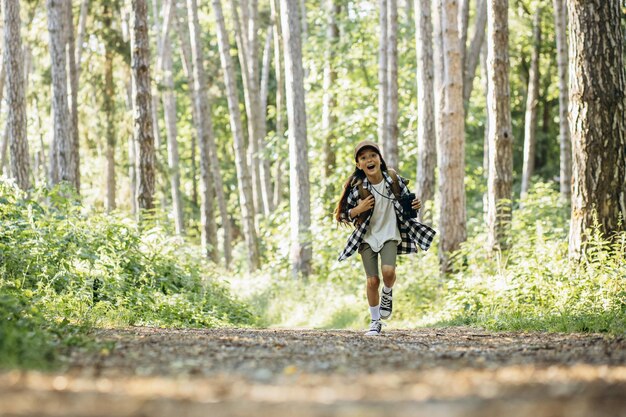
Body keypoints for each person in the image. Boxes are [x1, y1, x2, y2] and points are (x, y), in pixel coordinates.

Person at [334, 140, 436, 336]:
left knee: (388, 272)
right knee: (372, 281)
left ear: (380, 159)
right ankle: (375, 321)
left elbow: (409, 203)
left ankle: (387, 294)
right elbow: (343, 215)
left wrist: (414, 205)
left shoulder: (392, 178)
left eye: (372, 155)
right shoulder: (357, 187)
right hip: (366, 237)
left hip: (390, 233)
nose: (369, 160)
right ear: (359, 165)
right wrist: (359, 209)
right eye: (363, 158)